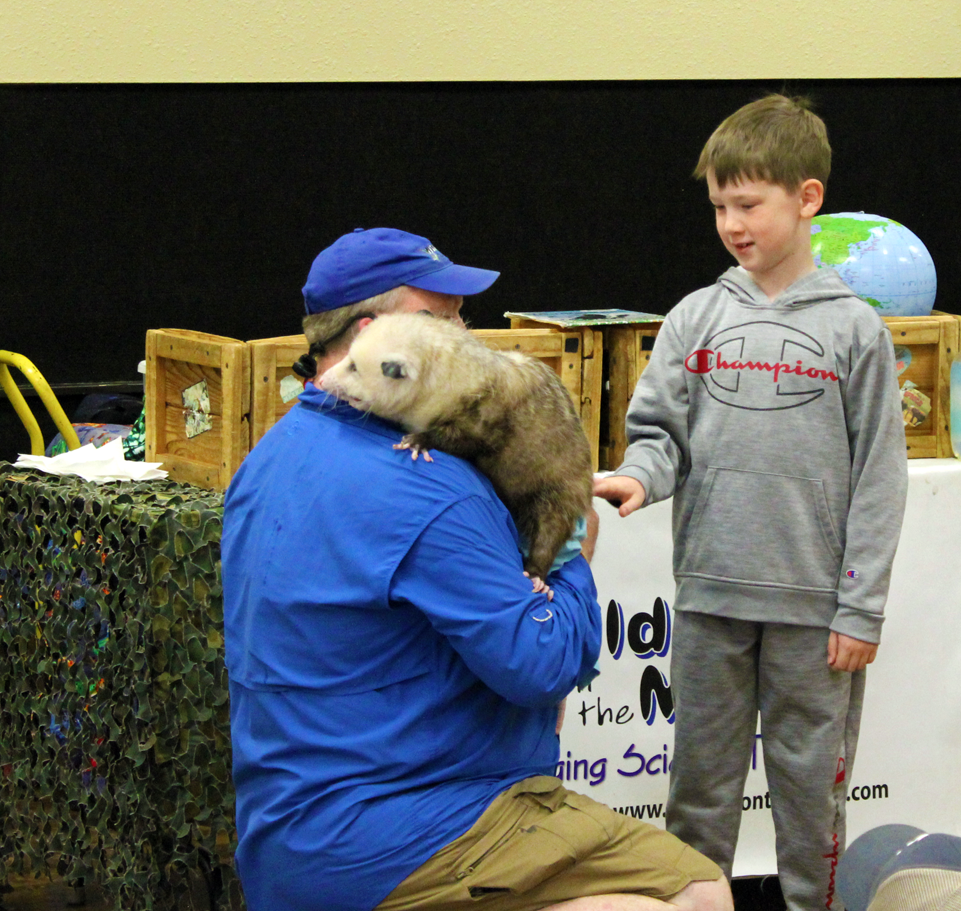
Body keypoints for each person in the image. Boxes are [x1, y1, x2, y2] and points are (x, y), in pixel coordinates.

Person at [222, 227, 731, 911]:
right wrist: (575, 539)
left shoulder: (271, 454)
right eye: (443, 319)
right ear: (378, 335)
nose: (467, 335)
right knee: (698, 893)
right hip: (415, 832)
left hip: (286, 836)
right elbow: (545, 664)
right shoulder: (430, 489)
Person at [594, 97, 908, 911]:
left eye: (749, 204)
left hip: (815, 615)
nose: (733, 224)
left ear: (807, 199)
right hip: (710, 599)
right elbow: (660, 435)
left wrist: (860, 608)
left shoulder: (855, 331)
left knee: (810, 796)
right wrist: (639, 475)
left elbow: (879, 475)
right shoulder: (694, 318)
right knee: (698, 788)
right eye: (719, 208)